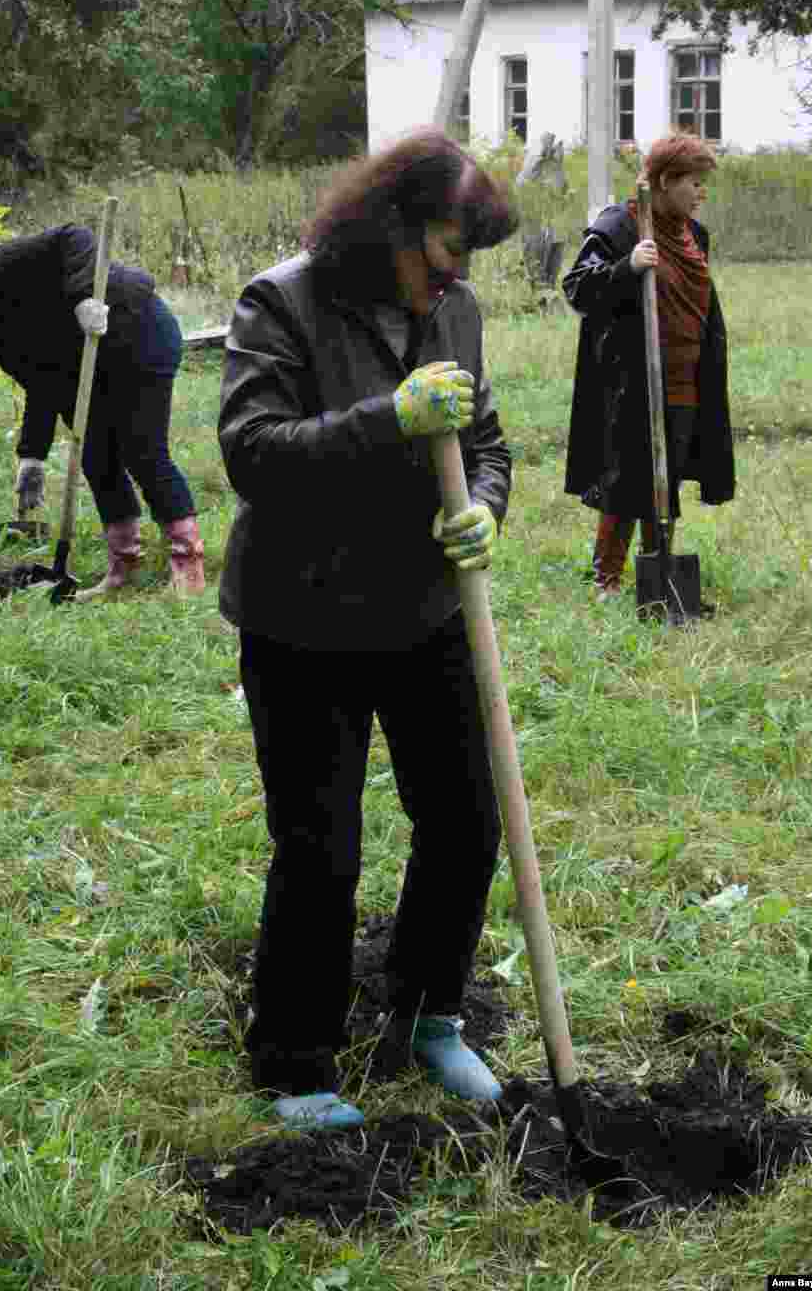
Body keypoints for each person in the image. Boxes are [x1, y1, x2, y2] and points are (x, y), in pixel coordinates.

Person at [217, 127, 519, 1130]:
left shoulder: (455, 309)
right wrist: (387, 416)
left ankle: (429, 1015)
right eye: (442, 253)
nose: (452, 279)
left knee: (467, 818)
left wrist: (482, 503)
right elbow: (256, 454)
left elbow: (485, 440)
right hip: (302, 617)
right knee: (321, 842)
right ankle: (295, 1058)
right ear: (389, 222)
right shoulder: (282, 303)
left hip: (426, 607)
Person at [0, 224, 205, 598]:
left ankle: (188, 566)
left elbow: (74, 237)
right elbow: (40, 381)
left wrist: (84, 299)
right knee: (97, 458)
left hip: (138, 332)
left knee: (143, 452)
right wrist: (32, 456)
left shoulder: (7, 261)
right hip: (86, 366)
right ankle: (123, 568)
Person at [562, 131, 735, 598]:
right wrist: (628, 267)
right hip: (632, 378)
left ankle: (658, 572)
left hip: (686, 376)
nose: (701, 193)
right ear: (662, 181)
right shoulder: (619, 227)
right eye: (693, 182)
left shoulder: (693, 234)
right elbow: (577, 287)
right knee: (627, 478)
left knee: (669, 475)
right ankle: (608, 579)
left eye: (703, 183)